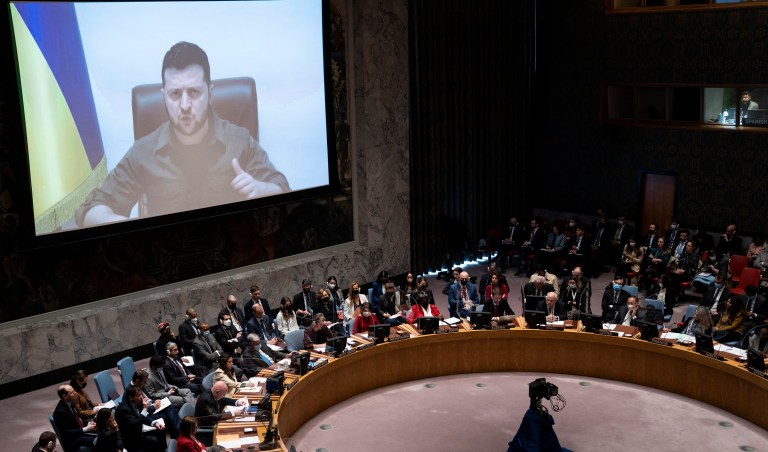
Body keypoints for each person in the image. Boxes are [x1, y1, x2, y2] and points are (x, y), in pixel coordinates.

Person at [75, 41, 289, 227]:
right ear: (164, 96)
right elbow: (91, 209)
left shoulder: (240, 143)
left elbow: (283, 190)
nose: (185, 105)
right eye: (175, 94)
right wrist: (129, 229)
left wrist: (262, 190)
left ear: (210, 94)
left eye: (194, 92)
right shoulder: (144, 152)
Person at [114, 385, 167, 452]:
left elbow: (143, 416)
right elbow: (136, 424)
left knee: (160, 429)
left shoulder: (136, 402)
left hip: (138, 432)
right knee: (153, 440)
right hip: (131, 439)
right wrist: (145, 409)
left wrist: (154, 423)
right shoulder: (124, 409)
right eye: (138, 396)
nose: (141, 397)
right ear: (130, 397)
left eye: (141, 395)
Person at [52, 385, 96, 452]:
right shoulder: (60, 412)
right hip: (73, 441)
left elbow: (77, 419)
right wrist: (86, 428)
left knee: (104, 432)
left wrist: (88, 423)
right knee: (99, 441)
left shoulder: (70, 403)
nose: (75, 393)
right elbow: (67, 433)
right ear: (65, 396)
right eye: (72, 392)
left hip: (79, 432)